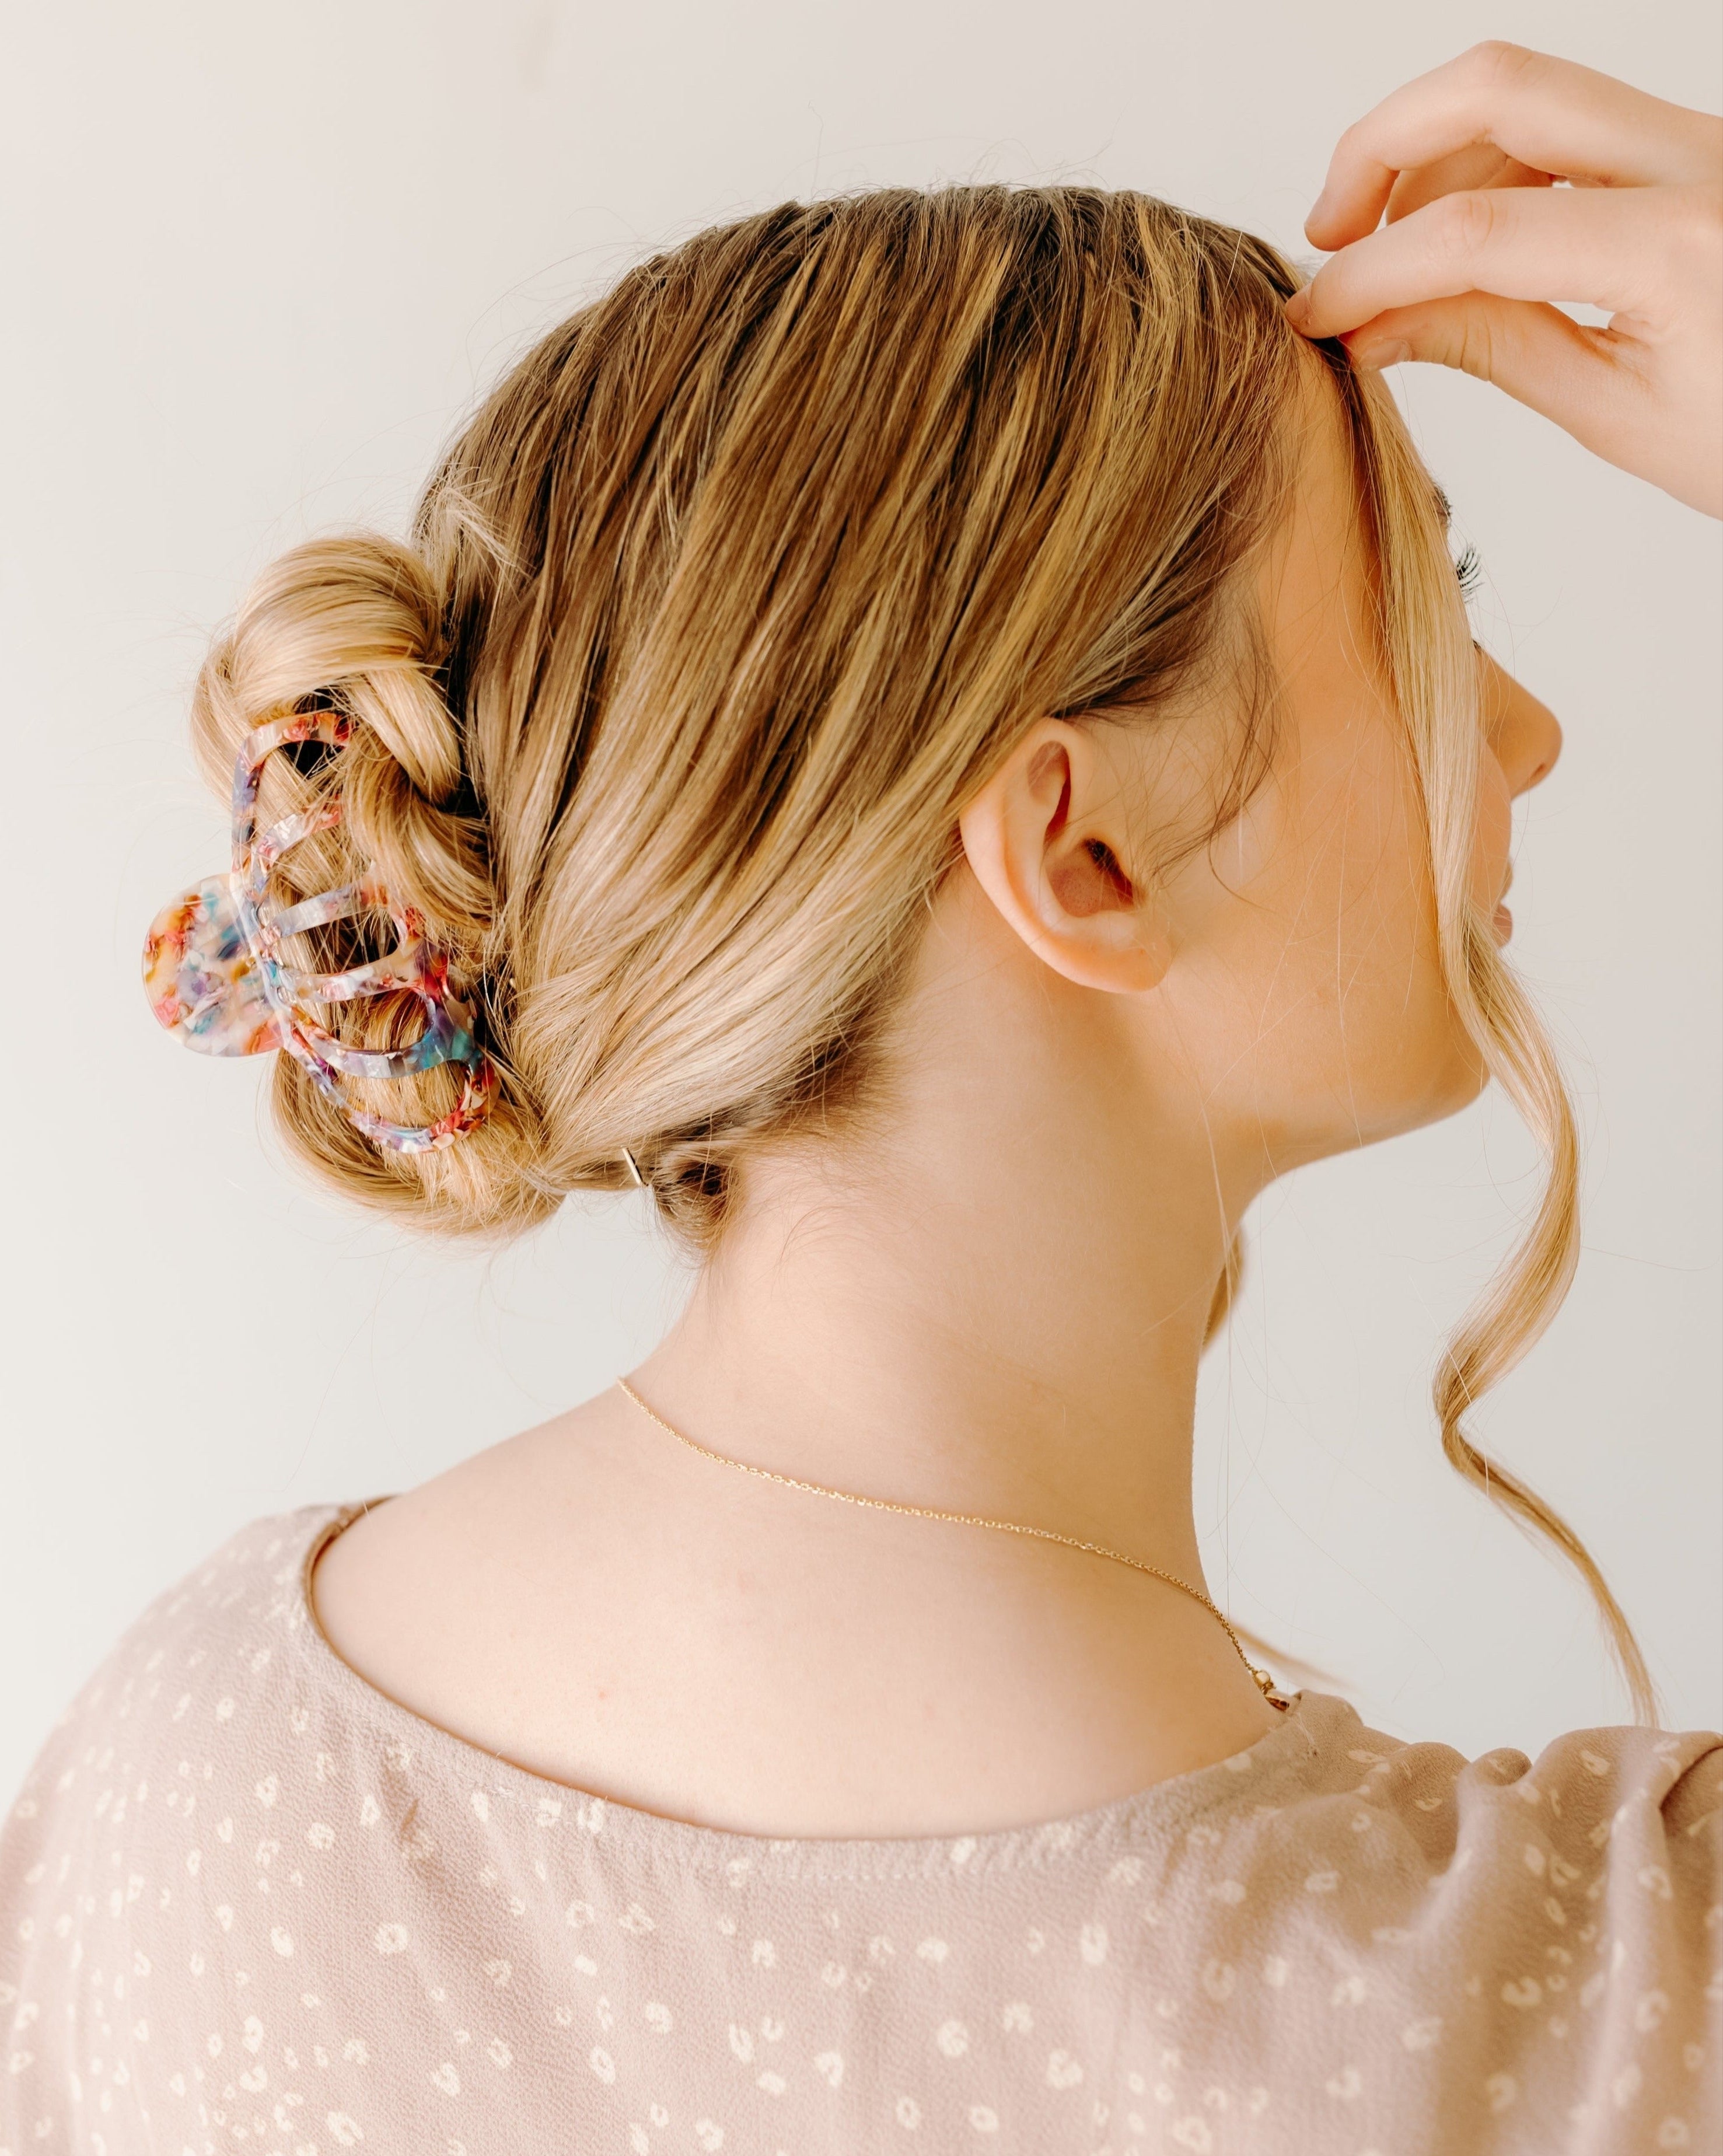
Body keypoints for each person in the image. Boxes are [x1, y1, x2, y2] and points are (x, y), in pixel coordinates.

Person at [2, 41, 1717, 2156]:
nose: (1525, 734)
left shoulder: (190, 1767)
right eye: (1432, 606)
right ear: (1082, 849)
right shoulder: (1610, 2007)